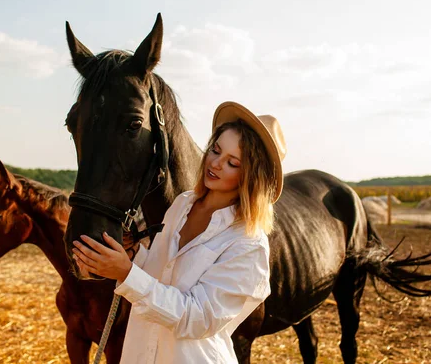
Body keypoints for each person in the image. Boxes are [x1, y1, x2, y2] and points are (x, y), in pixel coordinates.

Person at [72, 101, 287, 363]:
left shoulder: (249, 243)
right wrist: (135, 256)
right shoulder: (183, 204)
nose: (215, 164)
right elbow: (161, 276)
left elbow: (197, 318)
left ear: (252, 176)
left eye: (232, 162)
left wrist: (125, 274)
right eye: (215, 150)